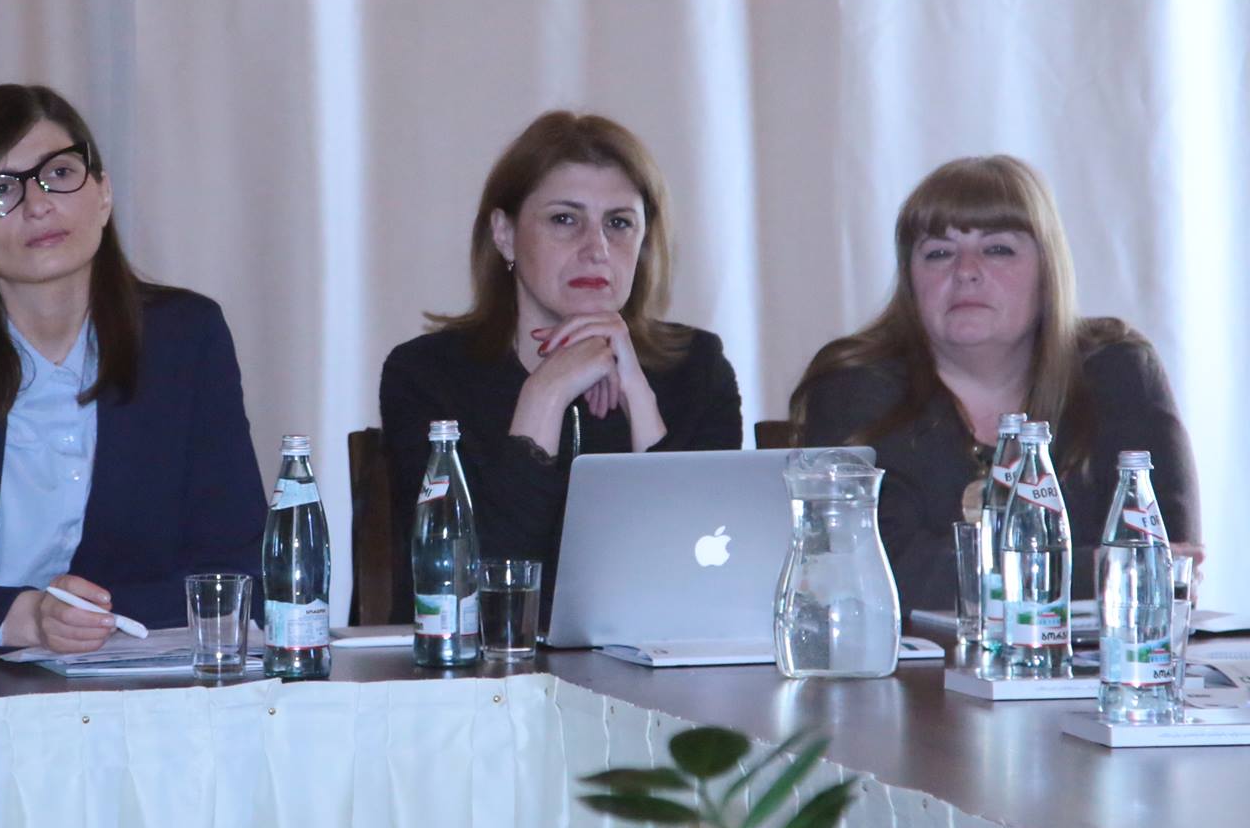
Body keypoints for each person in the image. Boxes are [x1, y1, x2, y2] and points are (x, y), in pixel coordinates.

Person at [0, 84, 265, 658]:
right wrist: (24, 617)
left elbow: (239, 572)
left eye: (59, 173)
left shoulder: (184, 337)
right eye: (0, 189)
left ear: (103, 194)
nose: (38, 205)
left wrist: (87, 618)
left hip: (140, 680)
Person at [790, 155, 1201, 612]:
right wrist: (1095, 570)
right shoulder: (852, 386)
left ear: (1047, 271)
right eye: (939, 253)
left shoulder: (1116, 370)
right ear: (910, 281)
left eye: (998, 249)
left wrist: (983, 572)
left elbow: (1166, 568)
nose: (965, 270)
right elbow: (866, 574)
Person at [379, 111, 742, 605]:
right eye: (565, 220)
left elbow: (704, 588)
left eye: (619, 223)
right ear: (505, 234)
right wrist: (545, 395)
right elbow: (467, 591)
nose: (597, 249)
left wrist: (640, 401)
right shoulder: (426, 376)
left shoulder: (698, 369)